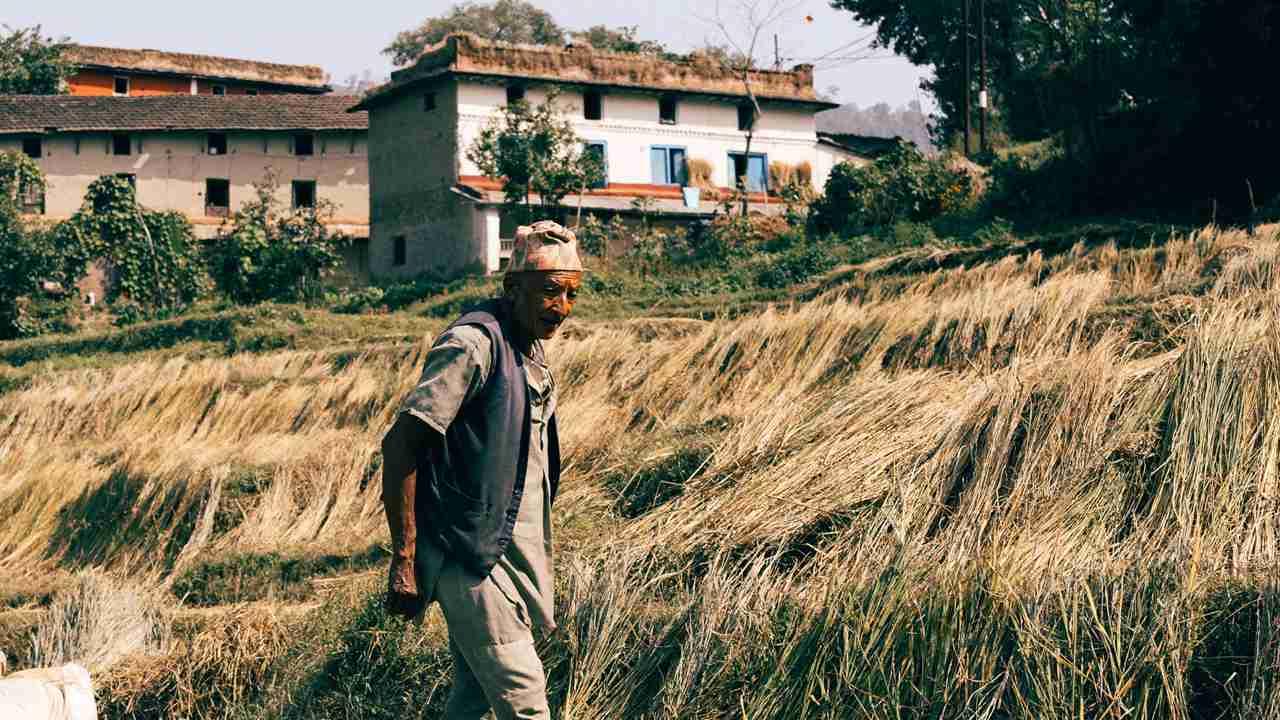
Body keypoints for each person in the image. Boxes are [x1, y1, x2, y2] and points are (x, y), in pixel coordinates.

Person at [380, 220, 583, 720]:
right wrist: (404, 559)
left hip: (508, 552)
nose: (562, 308)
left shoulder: (529, 347)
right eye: (551, 292)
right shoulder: (473, 345)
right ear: (514, 287)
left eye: (572, 294)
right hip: (469, 555)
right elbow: (401, 446)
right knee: (525, 699)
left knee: (470, 696)